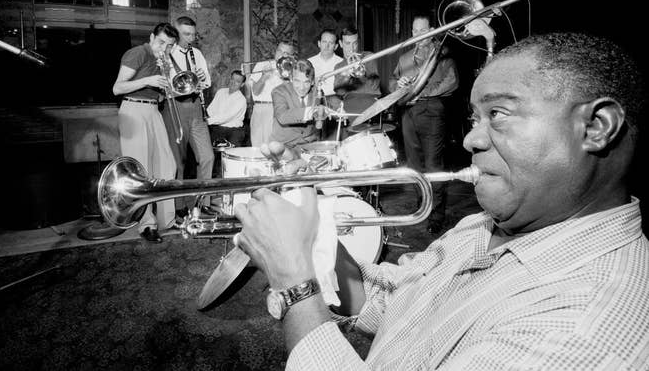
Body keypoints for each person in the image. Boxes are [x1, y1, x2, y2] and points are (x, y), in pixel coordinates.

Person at [235, 32, 649, 370]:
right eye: (475, 118)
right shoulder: (481, 226)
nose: (470, 139)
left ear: (596, 127)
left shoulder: (583, 329)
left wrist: (293, 280)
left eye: (498, 114)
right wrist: (309, 233)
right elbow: (389, 303)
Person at [390, 14, 458, 234]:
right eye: (415, 30)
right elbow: (392, 81)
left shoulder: (442, 53)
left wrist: (425, 93)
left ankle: (436, 215)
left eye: (423, 30)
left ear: (432, 30)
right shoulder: (404, 58)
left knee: (433, 166)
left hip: (432, 112)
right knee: (414, 165)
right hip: (408, 114)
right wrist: (398, 84)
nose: (418, 35)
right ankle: (423, 205)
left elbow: (452, 81)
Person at [112, 22, 179, 243]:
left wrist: (165, 88)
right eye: (161, 42)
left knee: (167, 165)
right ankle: (147, 224)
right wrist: (149, 80)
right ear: (151, 37)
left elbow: (158, 94)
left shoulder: (164, 60)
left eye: (169, 45)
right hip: (133, 109)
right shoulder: (137, 53)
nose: (164, 48)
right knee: (141, 171)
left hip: (153, 110)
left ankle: (168, 220)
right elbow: (117, 87)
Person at [162, 15, 214, 181]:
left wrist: (201, 78)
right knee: (178, 161)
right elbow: (162, 85)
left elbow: (207, 81)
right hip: (175, 107)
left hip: (196, 106)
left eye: (193, 34)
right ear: (176, 33)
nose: (191, 39)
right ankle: (177, 198)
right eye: (186, 34)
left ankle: (202, 195)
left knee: (207, 157)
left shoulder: (196, 53)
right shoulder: (167, 53)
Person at [333, 25, 381, 131]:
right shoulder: (339, 67)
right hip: (350, 110)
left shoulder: (369, 57)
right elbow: (339, 92)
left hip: (370, 108)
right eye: (347, 43)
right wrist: (347, 73)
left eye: (355, 43)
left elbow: (374, 86)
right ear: (340, 43)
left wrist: (362, 68)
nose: (352, 48)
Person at [249, 40, 296, 147]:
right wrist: (263, 77)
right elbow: (255, 91)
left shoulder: (292, 69)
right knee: (257, 146)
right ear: (275, 51)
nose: (282, 55)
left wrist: (286, 78)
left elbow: (293, 95)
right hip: (260, 109)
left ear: (291, 56)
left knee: (275, 146)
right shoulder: (262, 65)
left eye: (286, 53)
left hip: (279, 110)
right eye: (279, 51)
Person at [269, 59, 320, 151]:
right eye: (297, 81)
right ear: (291, 78)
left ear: (312, 82)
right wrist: (311, 111)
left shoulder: (317, 93)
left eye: (306, 82)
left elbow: (319, 122)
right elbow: (282, 116)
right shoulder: (279, 91)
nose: (301, 87)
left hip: (308, 146)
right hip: (283, 147)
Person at [207, 69, 248, 147]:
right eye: (232, 79)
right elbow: (211, 109)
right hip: (217, 128)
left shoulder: (241, 99)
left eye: (237, 81)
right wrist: (205, 118)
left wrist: (208, 121)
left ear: (242, 84)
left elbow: (227, 117)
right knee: (211, 150)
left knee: (231, 153)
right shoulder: (220, 92)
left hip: (234, 132)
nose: (233, 82)